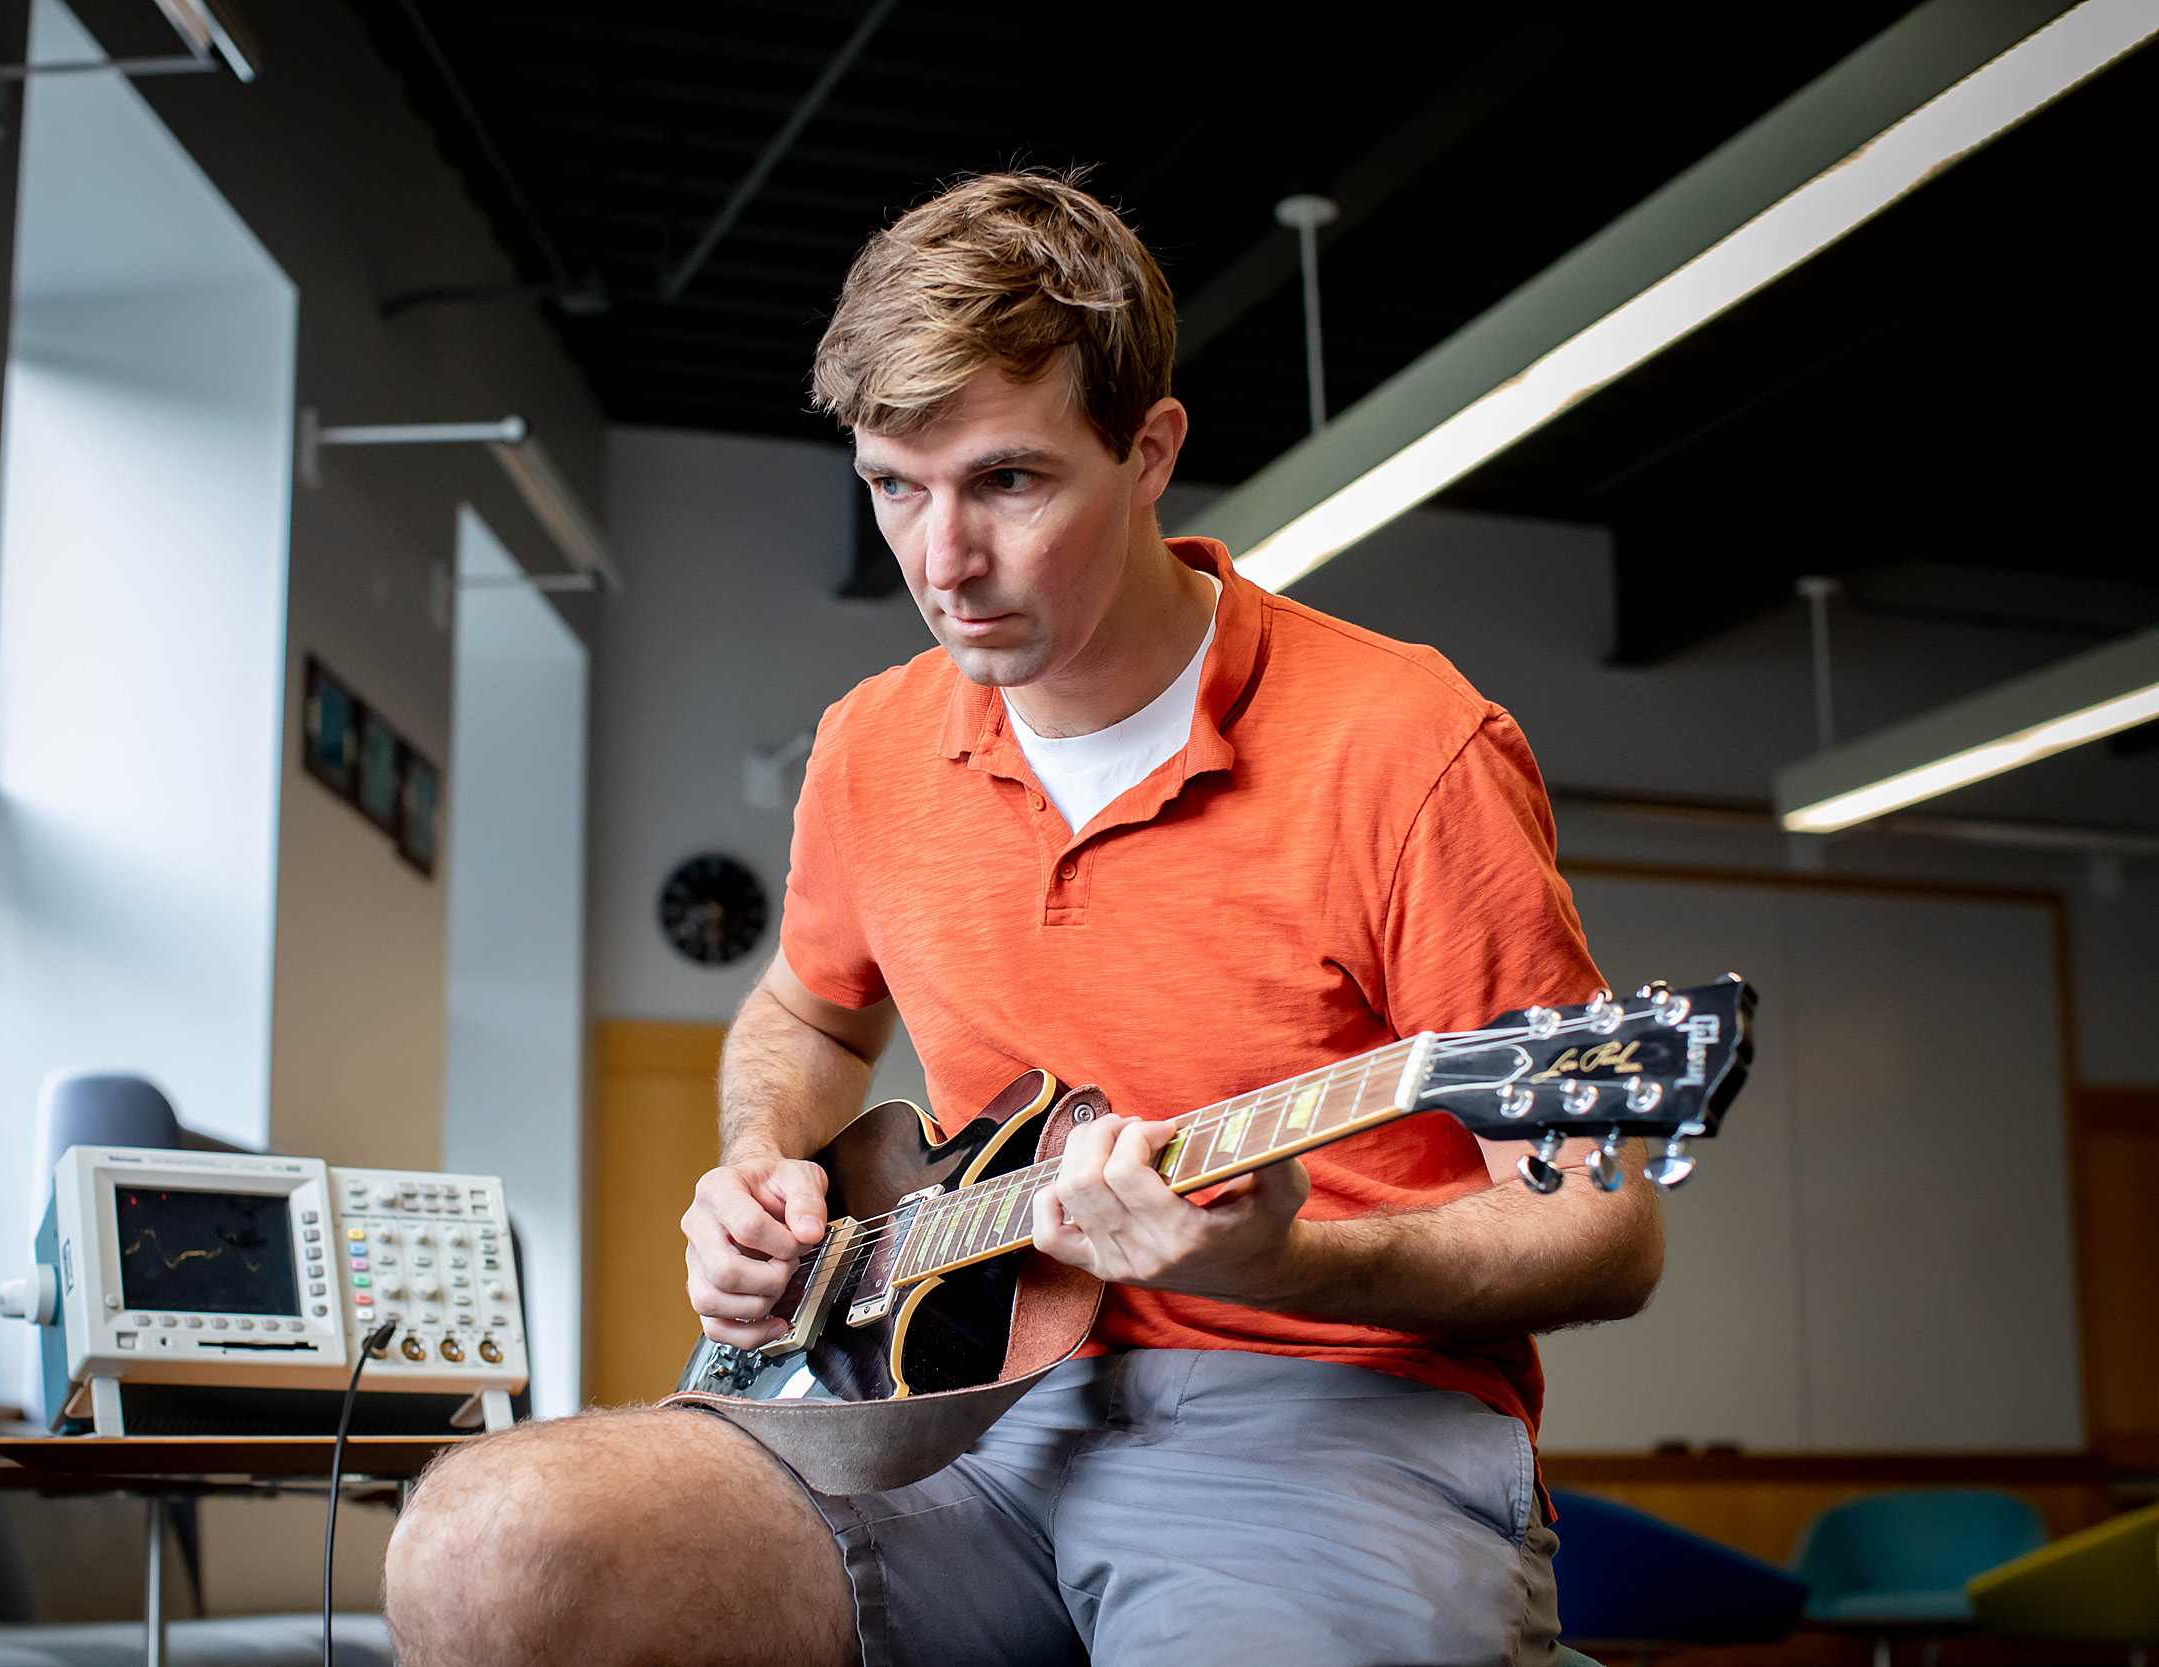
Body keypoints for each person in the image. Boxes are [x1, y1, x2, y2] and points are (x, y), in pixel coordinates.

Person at [385, 171, 1663, 1667]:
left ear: (1149, 450)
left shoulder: (1406, 746)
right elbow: (807, 1010)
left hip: (1324, 1416)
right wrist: (759, 1165)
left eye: (1006, 481)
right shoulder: (872, 742)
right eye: (893, 486)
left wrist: (1282, 1264)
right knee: (491, 1550)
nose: (941, 563)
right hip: (945, 1404)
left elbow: (1604, 1225)